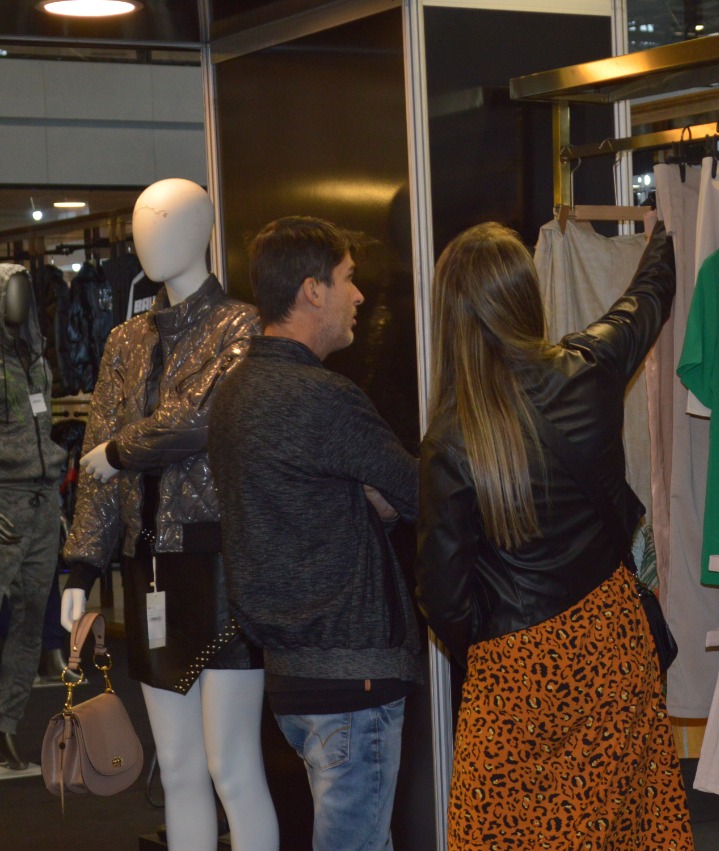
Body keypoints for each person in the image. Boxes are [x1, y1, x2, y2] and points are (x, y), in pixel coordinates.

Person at [417, 219, 693, 849]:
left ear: (450, 314)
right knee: (621, 826)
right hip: (611, 639)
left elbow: (442, 597)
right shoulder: (591, 365)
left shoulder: (450, 440)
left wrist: (497, 647)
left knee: (505, 832)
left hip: (516, 671)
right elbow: (647, 298)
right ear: (526, 294)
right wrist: (665, 233)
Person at [60, 179, 278, 850]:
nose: (148, 237)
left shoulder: (241, 326)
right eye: (141, 224)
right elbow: (95, 458)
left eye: (164, 221)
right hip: (148, 565)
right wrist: (80, 566)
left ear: (203, 229)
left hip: (219, 564)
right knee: (179, 766)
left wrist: (118, 452)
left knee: (231, 766)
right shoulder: (125, 341)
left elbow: (199, 417)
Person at [208, 216, 419, 851]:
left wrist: (363, 503)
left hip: (291, 677)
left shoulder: (234, 392)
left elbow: (300, 504)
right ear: (312, 290)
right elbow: (420, 493)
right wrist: (375, 502)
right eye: (348, 279)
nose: (359, 295)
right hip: (352, 675)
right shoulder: (323, 397)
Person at [0, 263, 66, 770]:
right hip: (5, 505)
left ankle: (7, 723)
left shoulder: (36, 359)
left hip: (43, 506)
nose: (19, 303)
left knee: (28, 624)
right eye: (11, 293)